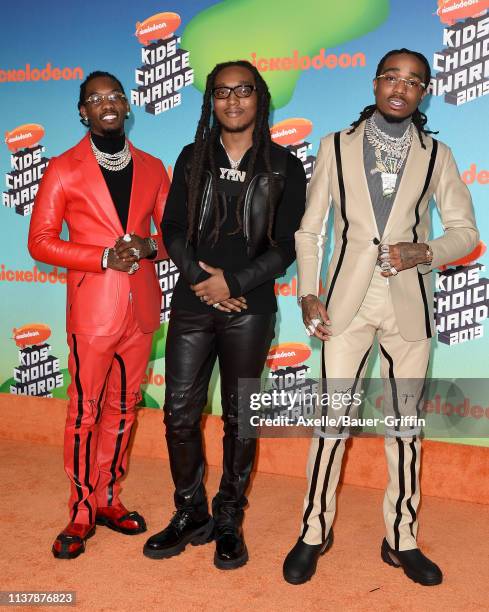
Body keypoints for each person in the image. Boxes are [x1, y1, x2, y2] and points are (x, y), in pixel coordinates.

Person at [282, 48, 478, 586]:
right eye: (391, 76)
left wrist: (424, 251)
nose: (400, 87)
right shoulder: (334, 146)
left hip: (408, 306)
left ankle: (402, 538)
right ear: (374, 83)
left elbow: (465, 233)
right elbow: (309, 229)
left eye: (413, 81)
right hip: (345, 305)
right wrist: (306, 290)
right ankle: (314, 531)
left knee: (405, 427)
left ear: (424, 93)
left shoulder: (438, 155)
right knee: (330, 425)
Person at [143, 60, 306, 569]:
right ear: (210, 100)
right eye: (221, 92)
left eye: (244, 91)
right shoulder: (193, 156)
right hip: (192, 304)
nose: (233, 101)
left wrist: (232, 283)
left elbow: (286, 247)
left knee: (240, 419)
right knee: (180, 415)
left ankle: (229, 515)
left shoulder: (284, 166)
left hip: (249, 308)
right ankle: (190, 511)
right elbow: (171, 228)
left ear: (260, 98)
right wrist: (199, 278)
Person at [28, 71, 169, 559]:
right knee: (85, 411)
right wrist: (103, 257)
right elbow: (39, 241)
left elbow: (173, 236)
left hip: (141, 309)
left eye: (114, 96)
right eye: (95, 99)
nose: (106, 104)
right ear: (82, 112)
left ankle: (109, 498)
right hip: (92, 311)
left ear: (128, 106)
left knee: (125, 409)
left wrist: (149, 245)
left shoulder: (152, 167)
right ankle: (82, 509)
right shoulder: (63, 169)